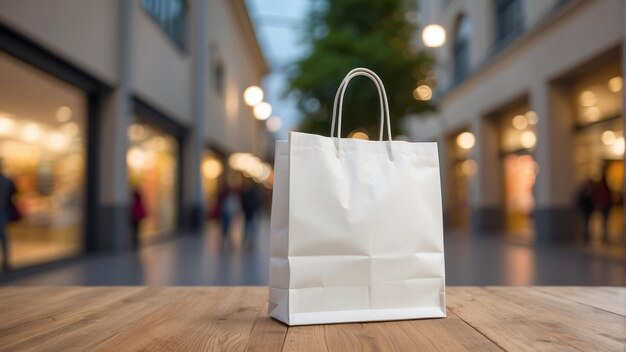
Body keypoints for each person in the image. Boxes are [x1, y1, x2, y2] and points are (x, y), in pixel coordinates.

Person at [0, 162, 17, 272]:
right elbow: (14, 192)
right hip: (3, 210)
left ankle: (6, 261)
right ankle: (6, 261)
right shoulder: (7, 180)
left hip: (3, 210)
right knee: (4, 237)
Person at [592, 167, 613, 244]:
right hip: (605, 205)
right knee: (605, 220)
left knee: (605, 220)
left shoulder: (602, 186)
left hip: (604, 205)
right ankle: (604, 234)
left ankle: (604, 234)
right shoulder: (602, 186)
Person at [241, 179, 261, 245]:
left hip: (251, 212)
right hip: (248, 212)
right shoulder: (246, 192)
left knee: (251, 226)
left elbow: (256, 202)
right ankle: (246, 238)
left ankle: (250, 239)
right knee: (247, 226)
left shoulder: (252, 193)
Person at [576, 178, 595, 244]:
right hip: (585, 209)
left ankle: (586, 235)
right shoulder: (585, 191)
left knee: (586, 222)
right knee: (585, 223)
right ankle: (585, 235)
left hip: (588, 210)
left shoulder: (591, 191)